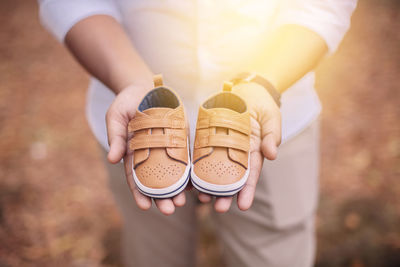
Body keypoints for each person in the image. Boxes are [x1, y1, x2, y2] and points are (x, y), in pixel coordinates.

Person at [38, 0, 357, 266]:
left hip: (274, 113)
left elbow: (323, 6)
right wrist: (132, 82)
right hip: (137, 111)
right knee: (154, 257)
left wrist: (263, 82)